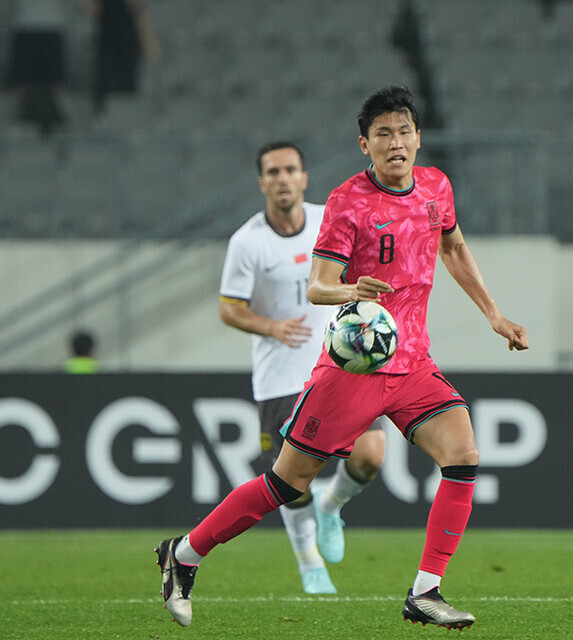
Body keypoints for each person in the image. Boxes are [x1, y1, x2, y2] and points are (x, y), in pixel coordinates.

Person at [154, 86, 528, 630]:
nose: (395, 143)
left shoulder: (436, 186)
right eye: (383, 134)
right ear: (364, 144)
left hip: (413, 362)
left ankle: (425, 591)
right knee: (286, 484)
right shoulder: (347, 201)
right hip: (355, 367)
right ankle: (184, 553)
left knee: (463, 454)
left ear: (418, 138)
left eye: (404, 132)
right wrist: (352, 290)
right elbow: (318, 286)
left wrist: (493, 314)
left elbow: (452, 247)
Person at [217, 141, 387, 595]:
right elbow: (229, 308)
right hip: (280, 377)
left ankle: (331, 506)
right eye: (273, 172)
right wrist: (272, 327)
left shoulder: (327, 221)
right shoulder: (247, 241)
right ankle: (310, 563)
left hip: (340, 364)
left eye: (290, 169)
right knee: (292, 481)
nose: (283, 179)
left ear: (304, 177)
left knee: (371, 454)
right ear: (262, 183)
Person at [79, 0, 160, 113]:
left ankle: (129, 110)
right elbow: (90, 9)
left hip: (128, 30)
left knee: (128, 73)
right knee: (106, 74)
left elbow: (140, 7)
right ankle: (104, 111)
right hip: (108, 30)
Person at [8, 0, 69, 135]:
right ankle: (30, 118)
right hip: (26, 25)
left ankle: (47, 119)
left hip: (50, 25)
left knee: (51, 84)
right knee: (24, 84)